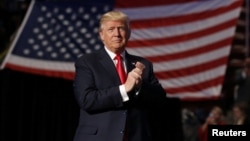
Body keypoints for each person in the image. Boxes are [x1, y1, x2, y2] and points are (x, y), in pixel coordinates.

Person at [73, 10, 167, 141]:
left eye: (121, 29)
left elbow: (160, 99)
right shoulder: (87, 62)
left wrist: (140, 87)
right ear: (102, 35)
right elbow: (87, 100)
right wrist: (124, 89)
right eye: (111, 29)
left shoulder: (143, 64)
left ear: (128, 33)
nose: (116, 34)